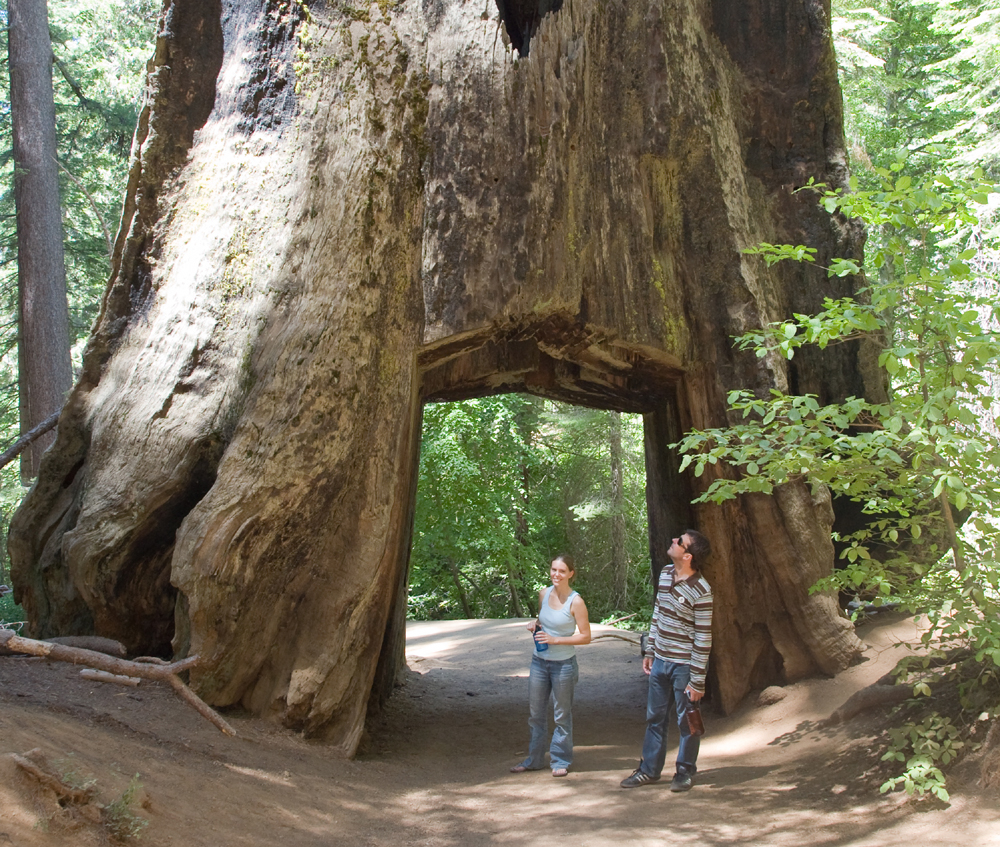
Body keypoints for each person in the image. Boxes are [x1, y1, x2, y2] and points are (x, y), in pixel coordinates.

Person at [620, 529, 713, 792]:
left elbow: (704, 638)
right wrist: (650, 651)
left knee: (687, 720)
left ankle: (684, 771)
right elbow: (658, 613)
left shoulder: (702, 590)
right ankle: (649, 770)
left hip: (684, 666)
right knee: (655, 717)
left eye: (679, 541)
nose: (672, 541)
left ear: (688, 555)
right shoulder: (664, 574)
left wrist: (697, 680)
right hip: (660, 661)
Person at [510, 554, 591, 777]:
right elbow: (542, 621)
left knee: (561, 715)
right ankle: (534, 759)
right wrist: (534, 625)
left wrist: (556, 640)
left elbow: (585, 637)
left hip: (563, 664)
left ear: (571, 574)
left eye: (562, 571)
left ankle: (560, 760)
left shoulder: (576, 602)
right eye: (554, 570)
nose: (556, 574)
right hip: (539, 662)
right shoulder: (544, 594)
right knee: (536, 714)